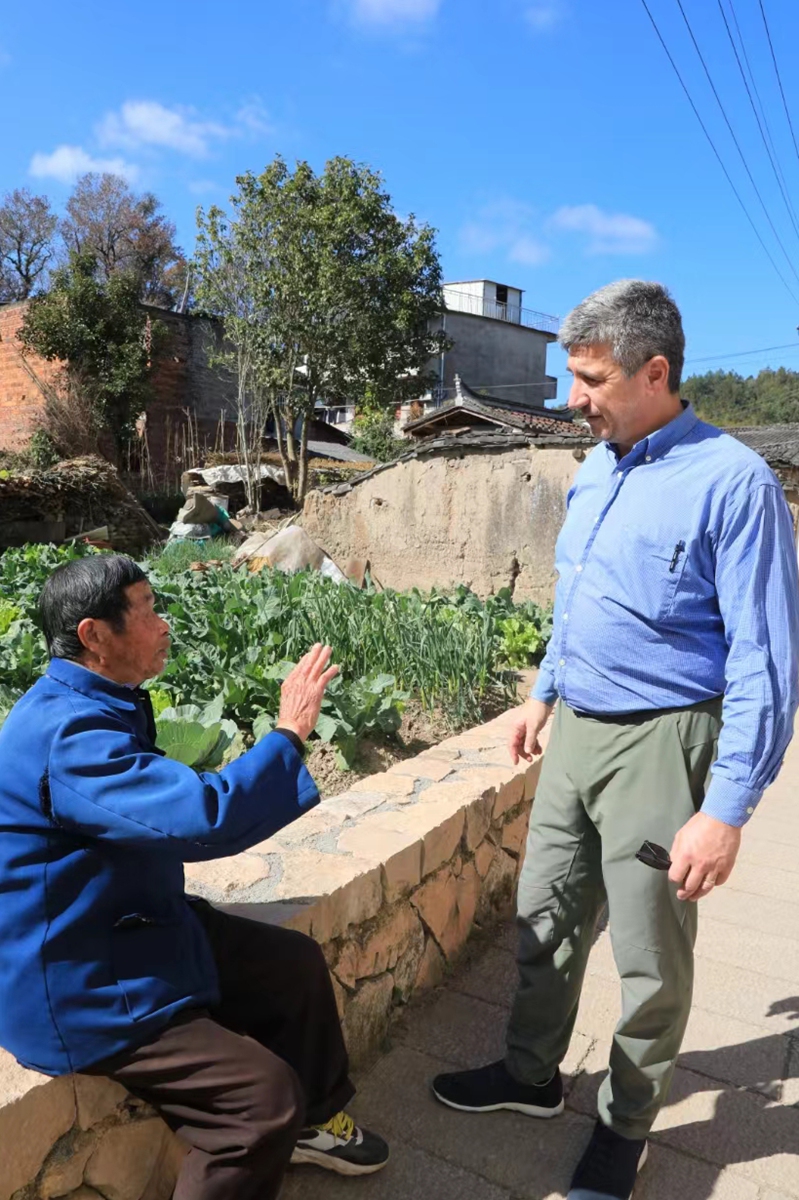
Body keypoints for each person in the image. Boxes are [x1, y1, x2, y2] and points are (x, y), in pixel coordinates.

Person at [431, 280, 799, 1200]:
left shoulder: (733, 485)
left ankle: (625, 1126)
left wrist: (725, 809)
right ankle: (527, 1076)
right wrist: (541, 694)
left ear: (656, 371)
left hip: (664, 743)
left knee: (647, 951)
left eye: (589, 379)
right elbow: (577, 596)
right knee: (545, 917)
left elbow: (764, 660)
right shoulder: (597, 464)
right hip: (577, 733)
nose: (570, 398)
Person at [0, 555, 389, 1200]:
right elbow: (201, 819)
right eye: (148, 609)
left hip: (129, 921)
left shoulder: (93, 699)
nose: (164, 624)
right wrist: (288, 734)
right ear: (95, 635)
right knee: (261, 1103)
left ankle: (314, 1124)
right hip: (80, 978)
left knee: (292, 965)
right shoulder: (65, 735)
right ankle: (279, 1125)